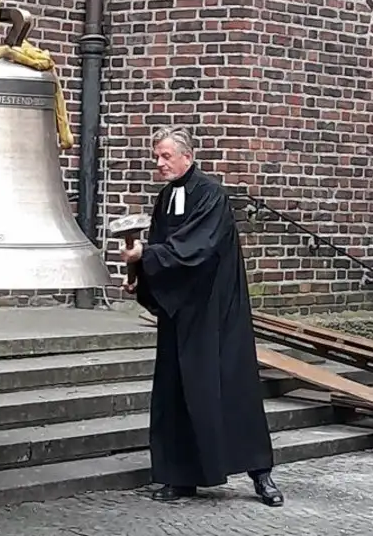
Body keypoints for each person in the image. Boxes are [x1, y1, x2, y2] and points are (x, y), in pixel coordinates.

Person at [118, 125, 283, 506]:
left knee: (231, 389)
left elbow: (198, 246)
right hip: (179, 310)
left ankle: (261, 474)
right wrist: (140, 277)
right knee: (176, 392)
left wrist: (146, 255)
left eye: (165, 156)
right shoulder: (165, 198)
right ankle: (180, 477)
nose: (159, 163)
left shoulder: (212, 195)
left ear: (187, 156)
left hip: (214, 309)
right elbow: (162, 245)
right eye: (156, 157)